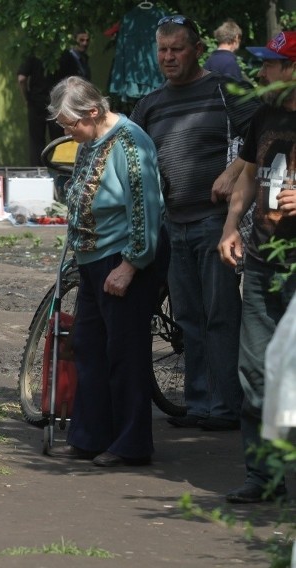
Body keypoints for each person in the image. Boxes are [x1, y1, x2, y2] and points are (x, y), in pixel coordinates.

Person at [130, 15, 259, 431]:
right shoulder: (150, 104)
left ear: (197, 50)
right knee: (187, 318)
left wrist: (236, 171)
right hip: (173, 224)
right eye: (162, 50)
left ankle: (226, 407)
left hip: (216, 223)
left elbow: (267, 135)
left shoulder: (226, 91)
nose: (168, 57)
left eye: (177, 49)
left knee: (221, 316)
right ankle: (200, 404)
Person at [45, 77, 166, 467]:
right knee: (88, 346)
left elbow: (147, 208)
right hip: (93, 260)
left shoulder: (131, 143)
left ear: (93, 112)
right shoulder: (89, 140)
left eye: (69, 124)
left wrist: (131, 265)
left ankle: (131, 445)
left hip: (123, 260)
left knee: (125, 353)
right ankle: (90, 436)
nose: (67, 131)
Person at [217, 31, 296, 504]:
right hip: (265, 261)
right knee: (257, 371)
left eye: (274, 65)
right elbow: (248, 172)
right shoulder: (264, 114)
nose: (263, 74)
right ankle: (264, 478)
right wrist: (231, 226)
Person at [17, 56, 63, 167]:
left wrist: (26, 98)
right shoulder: (60, 53)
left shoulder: (34, 53)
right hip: (55, 103)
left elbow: (21, 79)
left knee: (36, 141)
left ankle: (37, 172)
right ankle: (60, 169)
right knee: (59, 140)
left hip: (36, 102)